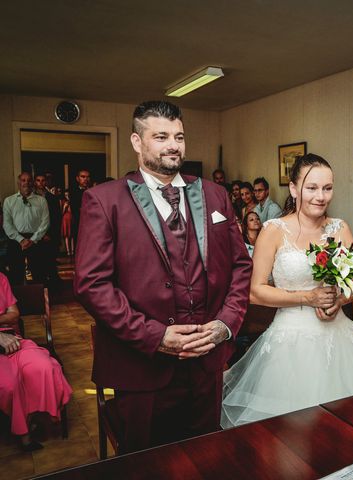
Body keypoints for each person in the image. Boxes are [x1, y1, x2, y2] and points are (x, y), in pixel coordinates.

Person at [74, 100, 252, 453]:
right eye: (161, 136)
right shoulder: (104, 200)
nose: (174, 144)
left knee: (205, 456)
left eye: (179, 136)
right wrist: (155, 336)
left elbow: (240, 267)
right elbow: (92, 285)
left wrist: (225, 324)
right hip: (142, 369)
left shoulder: (215, 196)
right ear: (138, 142)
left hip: (206, 364)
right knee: (146, 463)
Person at [221, 153, 353, 428]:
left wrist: (339, 299)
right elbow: (255, 291)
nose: (321, 196)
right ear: (294, 188)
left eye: (327, 188)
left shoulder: (339, 228)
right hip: (289, 344)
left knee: (345, 426)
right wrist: (307, 297)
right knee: (294, 432)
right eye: (312, 187)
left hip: (339, 341)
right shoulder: (273, 230)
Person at [0, 272, 72, 451]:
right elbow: (8, 315)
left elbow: (14, 314)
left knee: (44, 367)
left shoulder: (1, 278)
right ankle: (23, 431)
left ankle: (32, 418)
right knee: (9, 384)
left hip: (13, 340)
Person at [2, 172, 50, 285]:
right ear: (19, 182)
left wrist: (33, 240)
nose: (26, 183)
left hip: (36, 240)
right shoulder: (9, 201)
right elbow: (7, 224)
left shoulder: (41, 201)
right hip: (16, 240)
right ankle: (18, 301)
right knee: (15, 274)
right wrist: (21, 240)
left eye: (29, 180)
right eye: (23, 180)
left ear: (32, 183)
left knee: (40, 273)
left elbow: (45, 222)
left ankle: (40, 300)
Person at [34, 174, 62, 286]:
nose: (40, 183)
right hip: (36, 236)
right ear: (35, 182)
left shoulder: (52, 198)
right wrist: (40, 234)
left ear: (46, 182)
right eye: (38, 180)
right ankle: (41, 286)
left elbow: (56, 218)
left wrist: (51, 235)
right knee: (38, 263)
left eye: (43, 180)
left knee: (50, 261)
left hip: (50, 236)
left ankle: (53, 286)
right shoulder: (30, 198)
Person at [69, 169, 91, 246]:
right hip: (79, 224)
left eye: (88, 177)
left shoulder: (94, 190)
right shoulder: (73, 192)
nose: (86, 179)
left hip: (93, 225)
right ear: (77, 178)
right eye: (83, 177)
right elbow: (75, 209)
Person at [60, 190, 73, 256]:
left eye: (68, 195)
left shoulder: (72, 201)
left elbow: (72, 211)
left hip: (71, 218)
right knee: (66, 235)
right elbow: (61, 213)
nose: (67, 196)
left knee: (72, 235)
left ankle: (73, 250)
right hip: (65, 219)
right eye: (65, 195)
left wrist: (70, 206)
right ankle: (68, 251)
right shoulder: (62, 201)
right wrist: (64, 207)